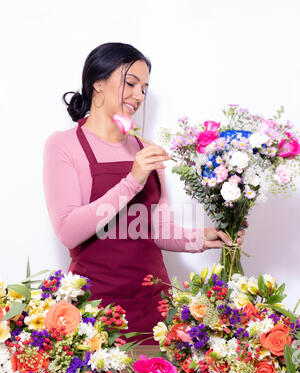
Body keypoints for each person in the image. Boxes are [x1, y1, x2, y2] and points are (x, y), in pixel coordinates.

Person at [43, 42, 245, 344]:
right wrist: (132, 180)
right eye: (130, 83)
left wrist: (202, 238)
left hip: (154, 306)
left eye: (144, 88)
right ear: (97, 83)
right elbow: (69, 231)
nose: (138, 96)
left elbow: (158, 231)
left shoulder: (146, 150)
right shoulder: (64, 145)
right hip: (96, 312)